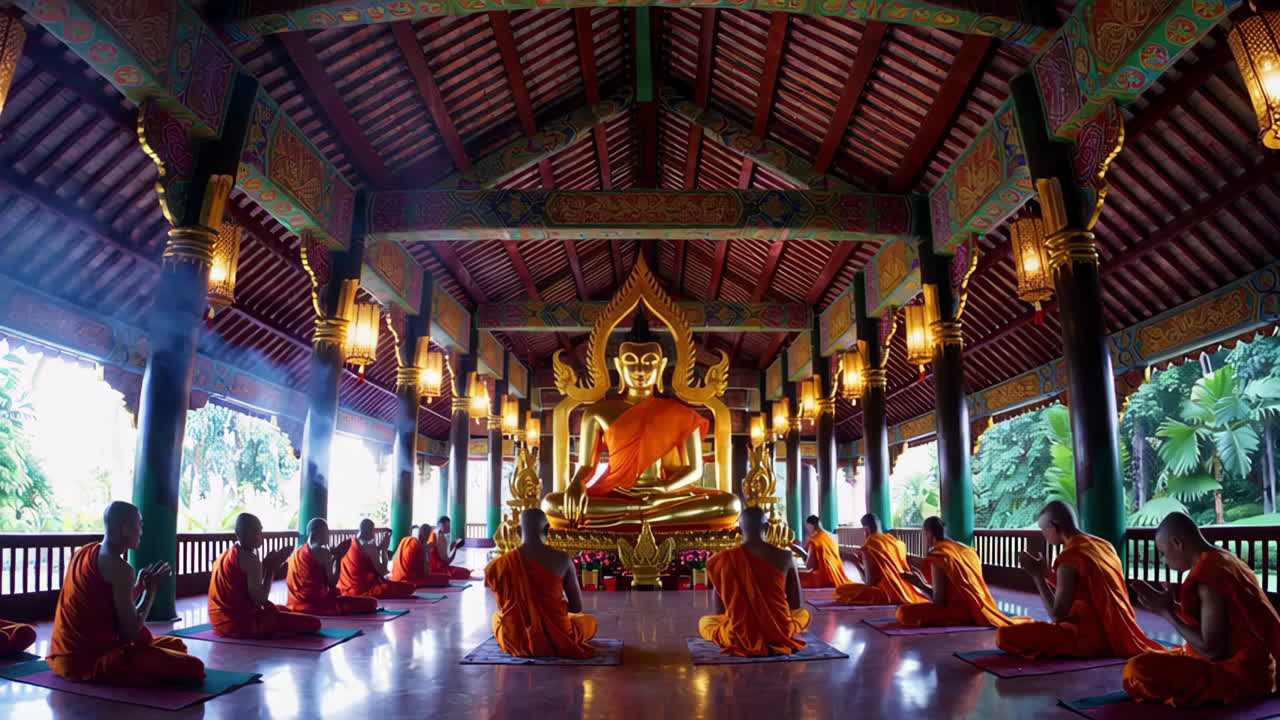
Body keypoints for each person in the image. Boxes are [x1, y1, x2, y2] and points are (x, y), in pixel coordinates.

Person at [541, 311, 740, 531]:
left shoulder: (679, 413)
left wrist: (663, 490)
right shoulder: (598, 412)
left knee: (729, 504)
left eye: (649, 362)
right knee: (552, 504)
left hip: (666, 495)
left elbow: (694, 470)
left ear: (661, 366)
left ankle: (633, 517)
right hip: (617, 495)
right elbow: (587, 465)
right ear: (618, 365)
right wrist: (577, 484)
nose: (639, 369)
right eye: (631, 361)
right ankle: (643, 516)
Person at [1124, 512, 1280, 708]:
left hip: (1240, 674)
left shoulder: (1209, 577)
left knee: (1137, 671)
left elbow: (1213, 650)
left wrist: (1167, 613)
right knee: (1157, 655)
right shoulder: (1226, 559)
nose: (1164, 561)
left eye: (1163, 553)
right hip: (1261, 666)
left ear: (1177, 543)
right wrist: (1169, 607)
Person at [46, 501, 205, 684]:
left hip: (63, 656)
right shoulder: (120, 568)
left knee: (175, 645)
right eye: (139, 525)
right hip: (90, 661)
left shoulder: (85, 552)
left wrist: (138, 588)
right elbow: (129, 632)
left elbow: (109, 607)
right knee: (194, 667)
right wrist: (151, 592)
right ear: (126, 528)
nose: (141, 532)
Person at [997, 501, 1161, 659]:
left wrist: (1037, 577)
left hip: (1085, 638)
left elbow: (1057, 616)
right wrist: (1046, 573)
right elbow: (1082, 588)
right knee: (1024, 625)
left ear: (1054, 527)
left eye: (1043, 530)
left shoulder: (1070, 557)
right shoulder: (1104, 545)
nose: (1044, 535)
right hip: (1114, 631)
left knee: (1004, 636)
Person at [484, 509, 597, 658]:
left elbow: (504, 607)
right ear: (547, 529)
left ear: (518, 531)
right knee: (589, 622)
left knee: (497, 618)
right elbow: (577, 607)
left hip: (516, 639)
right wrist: (551, 613)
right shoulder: (563, 559)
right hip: (559, 637)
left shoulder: (498, 564)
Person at [699, 506, 811, 656]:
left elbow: (719, 611)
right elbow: (796, 604)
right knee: (803, 615)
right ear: (767, 527)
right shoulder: (786, 556)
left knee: (705, 623)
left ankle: (747, 637)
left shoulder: (724, 559)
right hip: (779, 632)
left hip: (739, 635)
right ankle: (770, 640)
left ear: (739, 529)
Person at [897, 516, 1030, 628]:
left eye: (923, 535)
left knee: (903, 612)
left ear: (928, 533)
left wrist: (919, 584)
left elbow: (939, 600)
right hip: (981, 607)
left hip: (958, 612)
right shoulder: (967, 550)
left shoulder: (938, 555)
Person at [208, 513, 322, 638]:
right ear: (241, 534)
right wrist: (270, 570)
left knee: (281, 609)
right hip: (240, 625)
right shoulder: (250, 559)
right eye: (256, 533)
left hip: (217, 621)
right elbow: (259, 600)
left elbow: (247, 588)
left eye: (260, 532)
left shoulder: (226, 555)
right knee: (314, 623)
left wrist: (265, 566)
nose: (260, 536)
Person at [286, 518, 379, 616]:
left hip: (295, 605)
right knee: (372, 602)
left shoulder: (295, 553)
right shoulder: (322, 552)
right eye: (327, 531)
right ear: (319, 533)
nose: (329, 535)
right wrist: (339, 559)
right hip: (317, 605)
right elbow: (332, 583)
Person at [833, 513, 927, 606]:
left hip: (886, 594)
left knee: (841, 590)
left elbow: (869, 582)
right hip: (906, 590)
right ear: (879, 524)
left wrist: (855, 562)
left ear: (865, 529)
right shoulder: (896, 543)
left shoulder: (869, 546)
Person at [338, 519, 417, 598]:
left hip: (344, 589)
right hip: (363, 590)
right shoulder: (370, 548)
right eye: (374, 531)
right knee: (409, 587)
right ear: (371, 531)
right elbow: (383, 572)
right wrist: (384, 550)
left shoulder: (348, 543)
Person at [792, 515, 852, 589]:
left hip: (824, 579)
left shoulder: (814, 540)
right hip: (837, 576)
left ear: (810, 526)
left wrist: (801, 554)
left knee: (794, 577)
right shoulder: (830, 537)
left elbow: (810, 566)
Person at [427, 516, 470, 581]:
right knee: (465, 572)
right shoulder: (435, 536)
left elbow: (445, 557)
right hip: (437, 568)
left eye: (449, 526)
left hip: (440, 566)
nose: (449, 528)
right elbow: (445, 561)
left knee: (465, 571)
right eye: (446, 526)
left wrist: (453, 548)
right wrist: (455, 548)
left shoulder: (441, 536)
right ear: (440, 525)